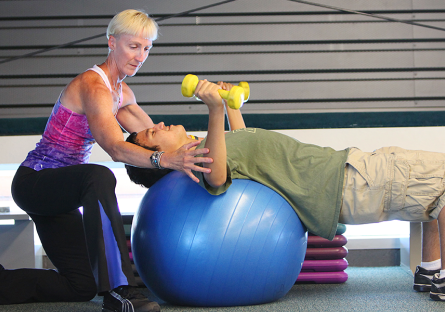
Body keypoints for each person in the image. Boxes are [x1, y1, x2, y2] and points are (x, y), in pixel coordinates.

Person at [125, 79, 445, 302]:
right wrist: (213, 110)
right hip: (346, 179)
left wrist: (228, 104)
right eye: (154, 133)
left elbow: (248, 145)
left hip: (348, 170)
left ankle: (430, 271)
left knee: (430, 195)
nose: (161, 124)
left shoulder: (212, 145)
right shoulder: (204, 155)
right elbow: (218, 179)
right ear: (162, 158)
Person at [3, 9, 212, 312]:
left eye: (146, 48)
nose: (140, 56)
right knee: (99, 176)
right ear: (112, 42)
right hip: (35, 181)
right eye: (133, 46)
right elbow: (117, 147)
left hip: (62, 192)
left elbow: (152, 138)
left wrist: (204, 144)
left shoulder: (121, 92)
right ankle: (120, 290)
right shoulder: (94, 86)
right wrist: (166, 159)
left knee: (81, 285)